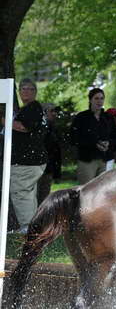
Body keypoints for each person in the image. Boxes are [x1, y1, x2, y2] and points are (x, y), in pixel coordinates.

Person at [9, 79, 48, 233]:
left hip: (27, 162)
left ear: (35, 92)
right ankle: (33, 227)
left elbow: (23, 127)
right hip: (32, 161)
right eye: (22, 88)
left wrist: (4, 120)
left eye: (29, 89)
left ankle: (27, 228)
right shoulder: (31, 109)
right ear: (18, 92)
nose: (25, 91)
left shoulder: (33, 107)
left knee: (21, 192)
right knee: (28, 194)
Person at [70, 88, 116, 184]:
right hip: (87, 159)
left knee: (105, 190)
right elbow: (74, 139)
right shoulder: (81, 117)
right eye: (96, 98)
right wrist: (94, 144)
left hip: (106, 159)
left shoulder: (108, 117)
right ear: (90, 100)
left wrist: (108, 143)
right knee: (86, 190)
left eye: (101, 98)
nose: (99, 101)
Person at [36, 103, 62, 206]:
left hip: (48, 168)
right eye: (51, 111)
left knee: (44, 198)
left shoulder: (54, 128)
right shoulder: (37, 126)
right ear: (44, 112)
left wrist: (57, 172)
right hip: (37, 168)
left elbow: (56, 151)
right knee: (34, 198)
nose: (54, 113)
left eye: (55, 111)